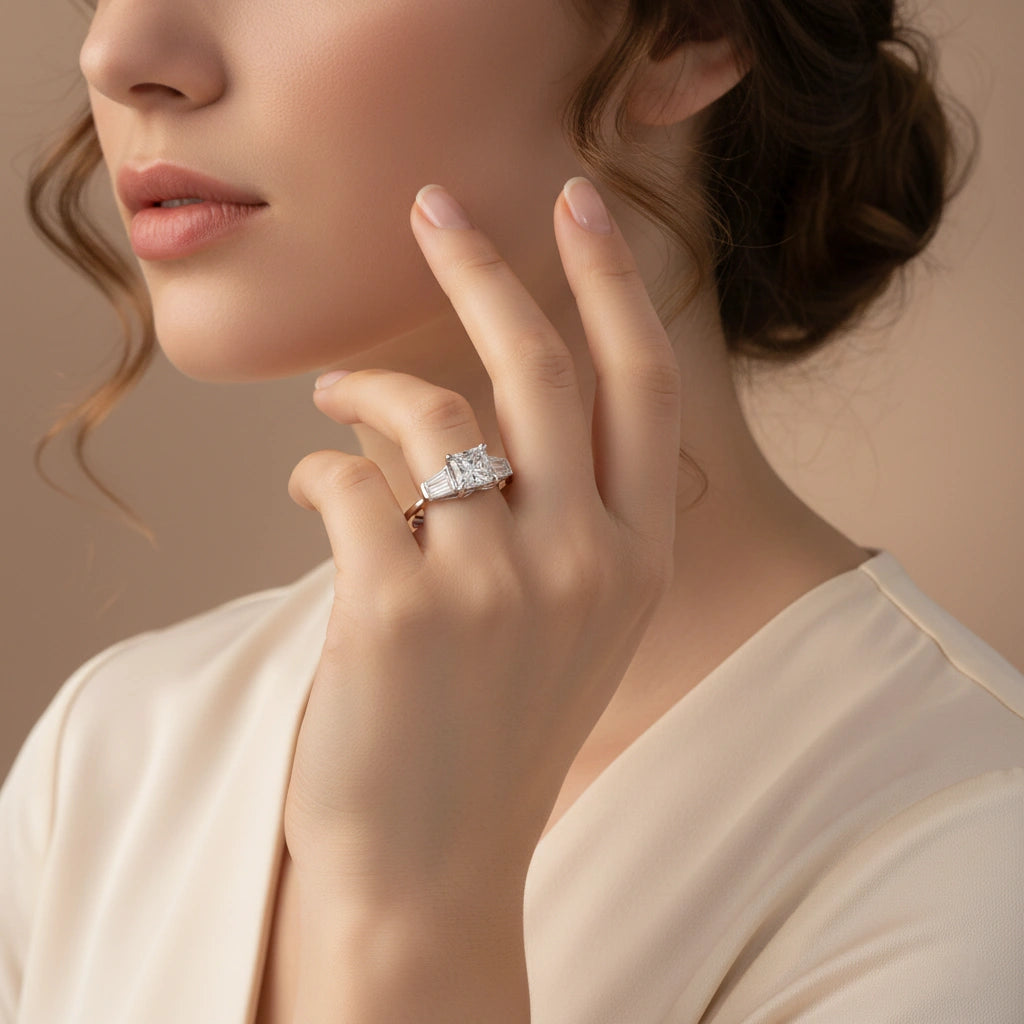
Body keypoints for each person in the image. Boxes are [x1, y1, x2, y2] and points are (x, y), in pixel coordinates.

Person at [2, 0, 1021, 1021]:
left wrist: (413, 912)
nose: (116, 53)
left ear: (691, 29)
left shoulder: (971, 861)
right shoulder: (110, 757)